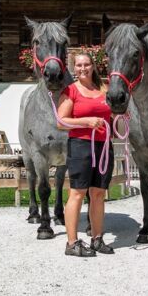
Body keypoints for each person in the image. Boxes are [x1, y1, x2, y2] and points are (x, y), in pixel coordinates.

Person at [57, 53, 114, 257]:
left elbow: (114, 114)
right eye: (79, 65)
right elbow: (61, 121)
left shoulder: (105, 89)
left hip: (104, 146)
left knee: (98, 193)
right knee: (78, 193)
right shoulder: (70, 91)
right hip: (81, 145)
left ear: (93, 66)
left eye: (86, 64)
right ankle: (72, 243)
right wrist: (86, 121)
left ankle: (97, 238)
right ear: (74, 68)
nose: (83, 68)